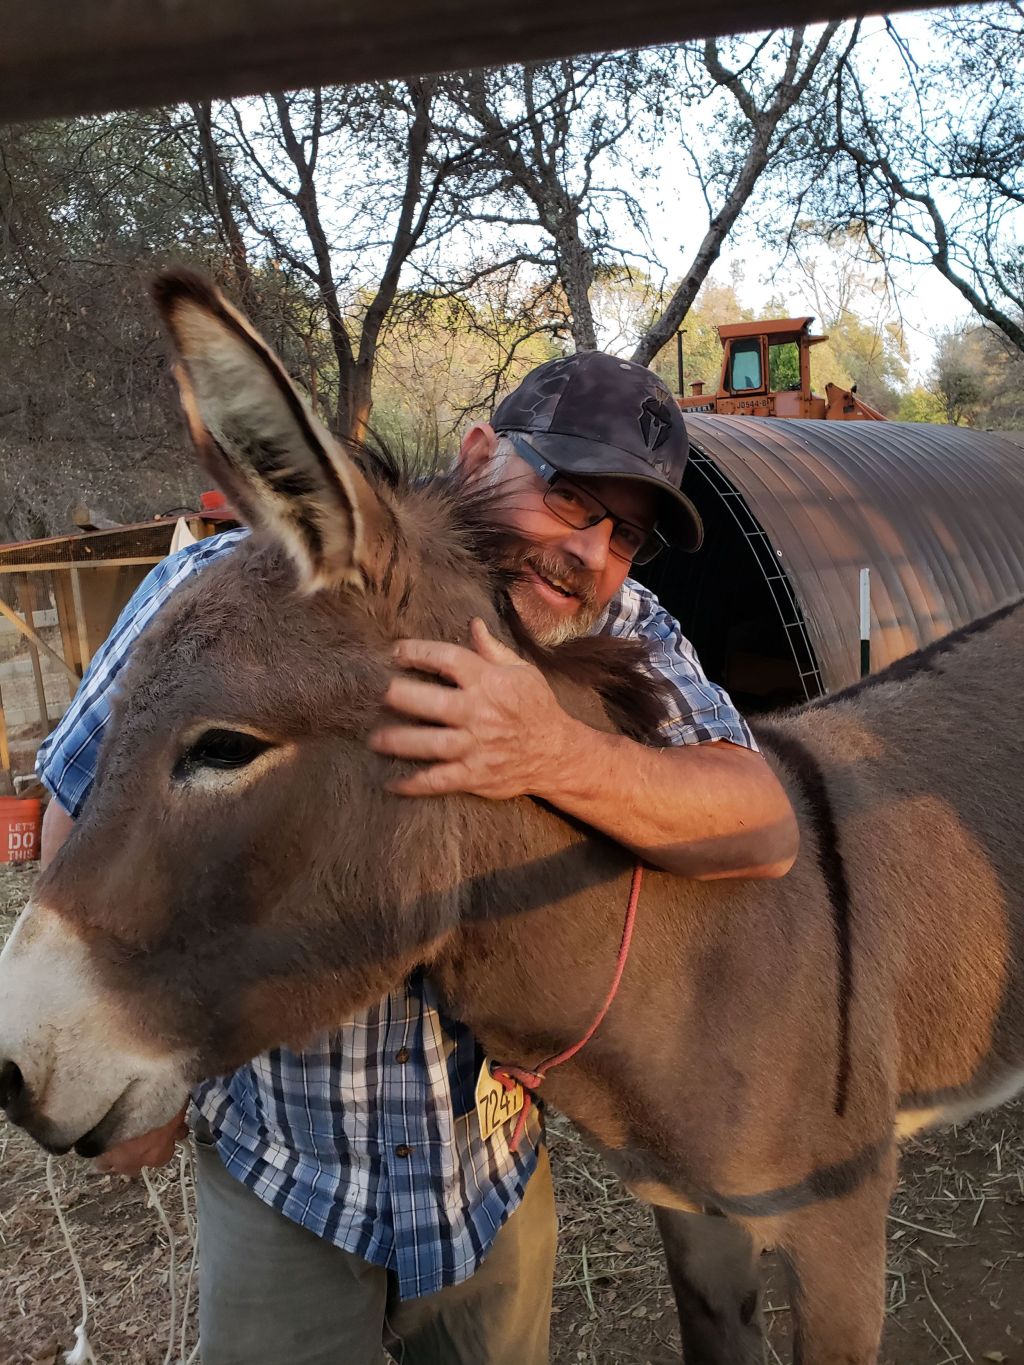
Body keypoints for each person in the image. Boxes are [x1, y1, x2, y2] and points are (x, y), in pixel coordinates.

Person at [37, 350, 798, 1365]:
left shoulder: (619, 622)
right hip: (290, 1172)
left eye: (627, 534)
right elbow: (80, 796)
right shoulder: (226, 591)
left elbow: (761, 824)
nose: (590, 554)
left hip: (482, 1179)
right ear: (479, 452)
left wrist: (552, 750)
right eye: (567, 497)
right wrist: (134, 1043)